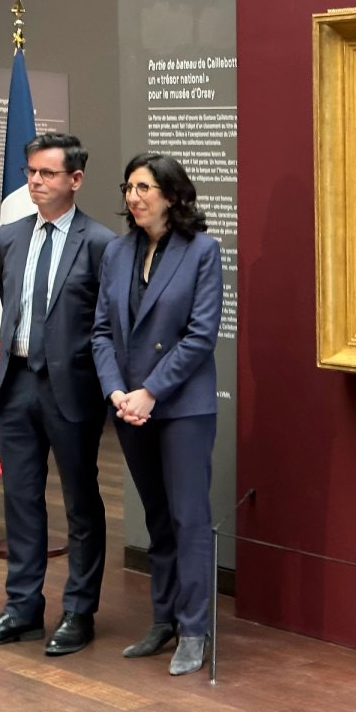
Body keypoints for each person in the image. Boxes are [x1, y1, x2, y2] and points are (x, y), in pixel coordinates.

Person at [0, 133, 115, 656]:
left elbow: (106, 324)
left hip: (71, 389)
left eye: (47, 173)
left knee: (80, 503)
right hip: (17, 383)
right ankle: (22, 610)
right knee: (20, 500)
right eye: (31, 172)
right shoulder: (10, 236)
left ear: (76, 179)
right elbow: (11, 304)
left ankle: (78, 612)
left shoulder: (100, 243)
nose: (35, 182)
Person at [92, 153, 222, 677]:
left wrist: (150, 391)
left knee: (189, 518)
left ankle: (195, 629)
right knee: (157, 516)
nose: (133, 197)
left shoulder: (203, 251)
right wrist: (116, 392)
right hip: (129, 407)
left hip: (182, 406)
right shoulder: (116, 251)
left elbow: (200, 335)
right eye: (128, 187)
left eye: (144, 187)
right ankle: (164, 619)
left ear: (171, 195)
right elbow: (102, 331)